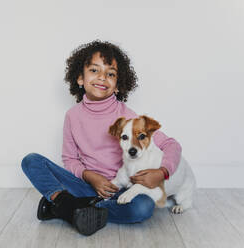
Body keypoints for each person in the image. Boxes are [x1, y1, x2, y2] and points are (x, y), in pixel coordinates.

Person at [21, 40, 182, 236]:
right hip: (86, 186)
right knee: (31, 161)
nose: (102, 77)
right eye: (95, 70)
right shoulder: (72, 116)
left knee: (142, 208)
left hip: (121, 189)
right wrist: (91, 177)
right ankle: (71, 205)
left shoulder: (128, 117)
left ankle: (63, 207)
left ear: (117, 85)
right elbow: (69, 159)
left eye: (110, 74)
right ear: (80, 78)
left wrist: (162, 173)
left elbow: (170, 144)